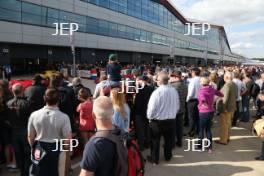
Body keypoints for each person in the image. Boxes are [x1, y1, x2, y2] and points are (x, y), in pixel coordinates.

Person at [28, 88, 72, 176]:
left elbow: (30, 136)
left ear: (44, 98)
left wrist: (33, 147)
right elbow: (67, 139)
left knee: (39, 172)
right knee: (58, 172)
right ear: (59, 99)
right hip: (57, 147)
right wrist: (66, 152)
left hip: (39, 147)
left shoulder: (34, 115)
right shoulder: (64, 117)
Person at [80, 96, 118, 176]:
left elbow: (85, 174)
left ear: (93, 115)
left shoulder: (94, 145)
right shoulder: (123, 133)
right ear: (113, 112)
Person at [147, 71, 179, 164]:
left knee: (155, 141)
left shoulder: (157, 92)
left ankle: (154, 159)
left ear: (159, 81)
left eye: (157, 79)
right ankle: (168, 156)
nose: (156, 81)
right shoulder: (174, 90)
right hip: (170, 120)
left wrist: (149, 118)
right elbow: (177, 106)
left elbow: (151, 108)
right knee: (168, 140)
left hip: (157, 121)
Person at [7, 84, 31, 176]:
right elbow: (31, 118)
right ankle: (26, 173)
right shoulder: (26, 103)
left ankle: (23, 172)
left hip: (14, 131)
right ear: (22, 91)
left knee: (19, 154)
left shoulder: (8, 103)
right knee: (27, 154)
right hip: (24, 131)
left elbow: (6, 119)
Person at [197, 77, 223, 153]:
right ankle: (209, 148)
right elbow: (221, 94)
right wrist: (214, 100)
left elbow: (202, 99)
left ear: (202, 83)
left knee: (201, 130)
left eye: (200, 81)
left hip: (203, 112)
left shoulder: (201, 91)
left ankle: (200, 147)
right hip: (211, 111)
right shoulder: (211, 89)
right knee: (208, 130)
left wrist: (204, 103)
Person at [215, 72, 238, 145]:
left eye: (224, 77)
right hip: (232, 107)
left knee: (224, 125)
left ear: (227, 77)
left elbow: (225, 98)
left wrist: (223, 108)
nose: (223, 78)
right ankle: (227, 138)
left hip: (226, 108)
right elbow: (236, 96)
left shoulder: (227, 85)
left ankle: (223, 140)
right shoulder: (234, 84)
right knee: (228, 124)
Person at [134, 76, 155, 150]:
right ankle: (147, 144)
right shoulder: (151, 89)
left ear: (141, 81)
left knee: (140, 131)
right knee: (147, 129)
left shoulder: (139, 89)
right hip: (148, 112)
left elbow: (138, 103)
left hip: (139, 113)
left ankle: (141, 146)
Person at [170, 71, 188, 148]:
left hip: (173, 110)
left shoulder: (172, 86)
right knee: (179, 126)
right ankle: (179, 142)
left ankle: (172, 143)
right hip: (181, 108)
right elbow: (185, 96)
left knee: (173, 127)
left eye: (172, 76)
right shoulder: (185, 85)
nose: (171, 78)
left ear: (176, 77)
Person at [186, 67, 201, 137]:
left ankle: (191, 131)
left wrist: (187, 99)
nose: (191, 73)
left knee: (191, 117)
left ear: (194, 73)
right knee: (198, 116)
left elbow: (191, 92)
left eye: (192, 72)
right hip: (200, 100)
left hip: (192, 100)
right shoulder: (201, 79)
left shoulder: (193, 81)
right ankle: (198, 130)